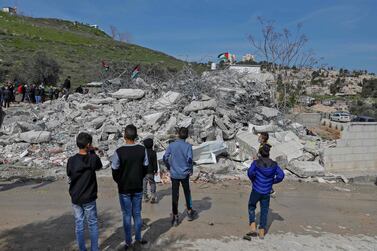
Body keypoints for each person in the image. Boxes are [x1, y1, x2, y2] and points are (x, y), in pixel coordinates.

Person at [111, 125, 149, 249]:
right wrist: (139, 177)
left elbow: (114, 169)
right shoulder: (142, 150)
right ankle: (138, 238)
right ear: (136, 136)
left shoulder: (119, 151)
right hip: (138, 187)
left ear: (124, 136)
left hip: (124, 188)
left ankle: (128, 241)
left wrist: (119, 181)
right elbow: (145, 167)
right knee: (137, 214)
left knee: (127, 215)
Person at [67, 132, 103, 251]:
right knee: (92, 224)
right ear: (88, 145)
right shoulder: (92, 159)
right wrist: (92, 151)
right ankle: (94, 249)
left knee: (79, 224)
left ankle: (82, 249)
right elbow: (99, 166)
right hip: (89, 197)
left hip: (76, 197)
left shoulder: (71, 160)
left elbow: (69, 174)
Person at [244, 144, 284, 240]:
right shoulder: (274, 165)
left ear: (260, 154)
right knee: (264, 211)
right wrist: (272, 181)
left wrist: (254, 179)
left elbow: (250, 173)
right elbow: (281, 175)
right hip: (266, 192)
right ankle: (262, 232)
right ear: (268, 154)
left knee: (251, 206)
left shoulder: (256, 163)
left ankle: (253, 228)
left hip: (256, 190)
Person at [163, 127, 197, 227]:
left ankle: (175, 216)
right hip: (184, 174)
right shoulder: (188, 146)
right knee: (187, 192)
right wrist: (191, 169)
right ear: (187, 136)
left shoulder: (172, 145)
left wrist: (169, 166)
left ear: (177, 134)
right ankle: (190, 212)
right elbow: (190, 159)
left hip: (174, 174)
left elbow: (165, 157)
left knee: (175, 195)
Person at [142, 138, 158, 203]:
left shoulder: (143, 152)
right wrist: (156, 170)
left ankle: (145, 197)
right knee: (152, 183)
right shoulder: (153, 152)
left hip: (144, 171)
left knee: (144, 184)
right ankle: (153, 196)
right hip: (151, 171)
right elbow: (155, 162)